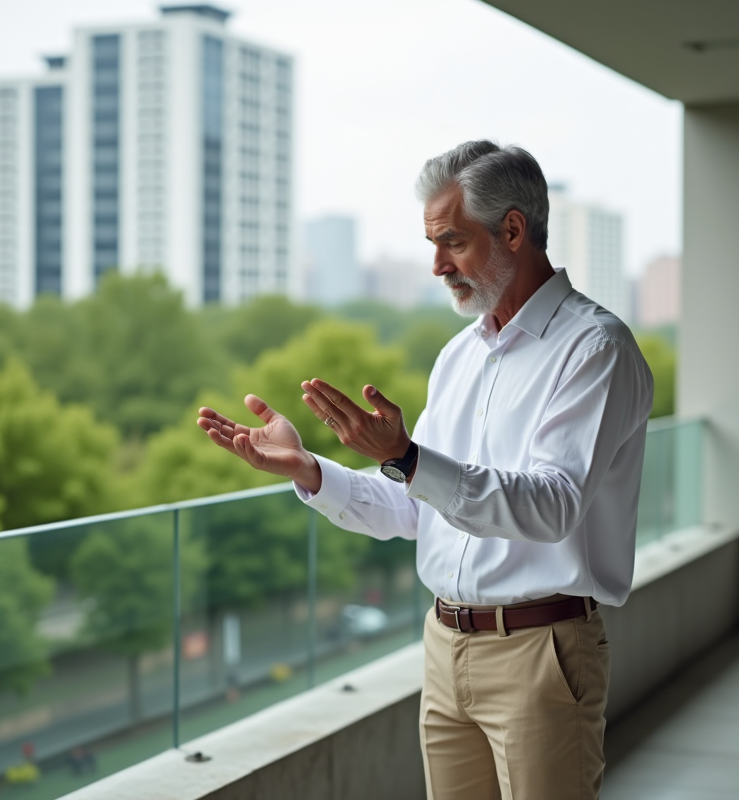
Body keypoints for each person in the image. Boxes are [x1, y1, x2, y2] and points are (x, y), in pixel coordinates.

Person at [197, 140, 653, 800]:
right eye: (432, 244)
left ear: (514, 230)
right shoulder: (458, 356)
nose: (437, 265)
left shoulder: (594, 349)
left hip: (540, 652)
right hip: (443, 646)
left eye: (453, 242)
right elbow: (417, 507)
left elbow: (552, 507)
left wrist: (407, 458)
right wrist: (311, 471)